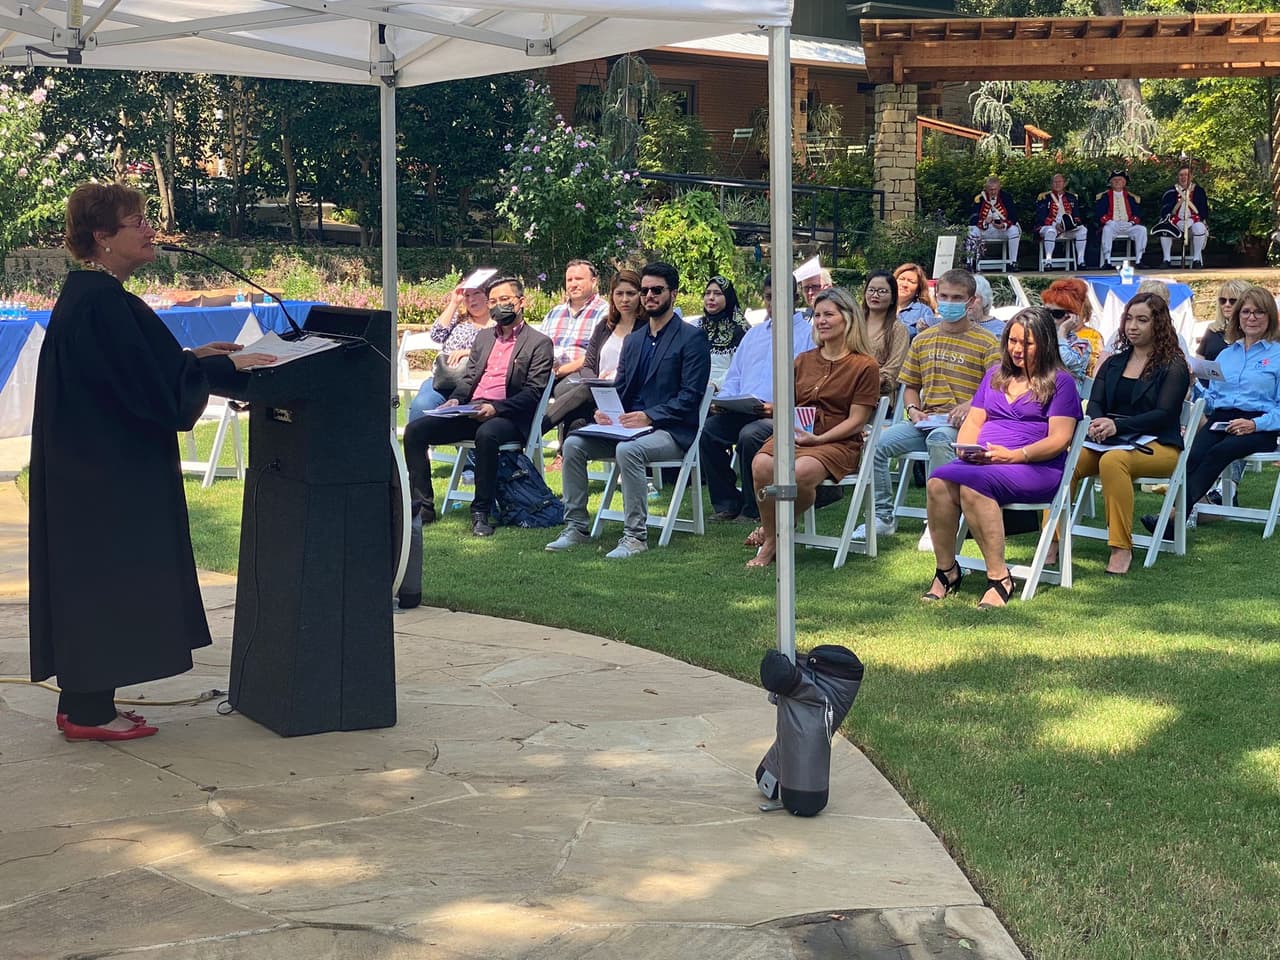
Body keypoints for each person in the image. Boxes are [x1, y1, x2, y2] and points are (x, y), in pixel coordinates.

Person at [28, 182, 276, 742]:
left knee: (96, 582)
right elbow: (149, 389)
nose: (149, 229)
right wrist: (223, 373)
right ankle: (89, 713)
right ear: (102, 237)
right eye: (135, 221)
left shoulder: (94, 296)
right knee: (107, 583)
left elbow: (133, 373)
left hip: (94, 469)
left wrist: (193, 359)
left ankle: (85, 703)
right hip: (107, 477)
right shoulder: (101, 302)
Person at [548, 262, 711, 559]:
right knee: (573, 444)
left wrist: (650, 416)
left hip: (672, 430)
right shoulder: (634, 340)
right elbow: (621, 389)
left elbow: (691, 398)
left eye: (656, 290)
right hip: (628, 425)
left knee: (629, 451)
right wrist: (605, 411)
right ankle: (575, 527)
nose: (649, 296)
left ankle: (635, 536)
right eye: (646, 290)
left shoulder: (691, 338)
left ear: (673, 294)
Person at [923, 307, 1082, 609]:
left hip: (1036, 466)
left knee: (974, 486)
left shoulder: (1061, 383)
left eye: (1027, 343)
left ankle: (999, 577)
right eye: (1012, 340)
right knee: (938, 482)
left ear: (1046, 343)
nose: (1017, 349)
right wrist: (968, 450)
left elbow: (1060, 439)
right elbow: (973, 422)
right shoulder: (994, 376)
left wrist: (1013, 456)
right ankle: (946, 571)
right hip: (985, 462)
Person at [858, 268, 1001, 543]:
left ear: (971, 301)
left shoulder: (986, 341)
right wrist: (912, 410)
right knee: (875, 444)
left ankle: (939, 519)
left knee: (939, 440)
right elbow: (910, 387)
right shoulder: (923, 339)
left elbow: (996, 388)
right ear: (936, 295)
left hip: (965, 426)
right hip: (927, 420)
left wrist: (970, 405)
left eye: (957, 297)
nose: (949, 302)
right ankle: (882, 516)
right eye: (944, 296)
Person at [402, 276, 554, 536]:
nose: (498, 306)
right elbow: (470, 378)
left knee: (487, 433)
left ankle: (480, 512)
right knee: (415, 430)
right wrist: (457, 400)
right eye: (493, 301)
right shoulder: (484, 338)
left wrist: (496, 409)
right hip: (472, 410)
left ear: (521, 302)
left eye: (504, 300)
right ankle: (423, 507)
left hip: (509, 417)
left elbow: (533, 393)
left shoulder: (539, 343)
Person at [746, 287, 881, 568]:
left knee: (800, 472)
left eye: (829, 314)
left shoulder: (864, 366)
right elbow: (786, 404)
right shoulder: (803, 360)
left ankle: (772, 540)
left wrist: (817, 438)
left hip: (838, 441)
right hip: (796, 434)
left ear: (848, 318)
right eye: (817, 315)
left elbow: (857, 420)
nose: (821, 320)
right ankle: (774, 532)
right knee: (760, 464)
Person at [1143, 285, 1280, 537]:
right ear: (1237, 316)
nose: (1251, 317)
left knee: (1221, 451)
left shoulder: (1278, 355)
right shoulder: (1227, 355)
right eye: (1246, 312)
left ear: (1270, 316)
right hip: (1222, 418)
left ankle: (1171, 518)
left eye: (1259, 312)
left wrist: (1255, 425)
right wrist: (1194, 384)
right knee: (1192, 455)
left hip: (1260, 424)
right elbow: (1213, 401)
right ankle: (1177, 519)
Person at [1071, 293, 1190, 575]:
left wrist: (1119, 426)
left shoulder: (1173, 365)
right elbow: (1096, 402)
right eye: (1129, 319)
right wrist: (1098, 423)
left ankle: (1121, 547)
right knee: (1068, 459)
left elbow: (1163, 415)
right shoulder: (1113, 362)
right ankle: (1052, 542)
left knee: (1113, 461)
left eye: (1142, 320)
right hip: (1111, 440)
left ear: (1158, 324)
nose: (1132, 326)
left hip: (1160, 446)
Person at [702, 274, 813, 524]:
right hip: (744, 407)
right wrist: (724, 401)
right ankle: (728, 502)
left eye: (780, 297)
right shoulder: (754, 335)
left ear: (795, 298)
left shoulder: (807, 335)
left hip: (782, 414)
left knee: (750, 435)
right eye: (769, 298)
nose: (774, 304)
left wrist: (780, 407)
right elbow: (735, 376)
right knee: (709, 431)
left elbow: (808, 386)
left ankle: (754, 509)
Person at [544, 270, 644, 443]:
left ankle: (534, 430)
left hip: (625, 390)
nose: (625, 299)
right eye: (619, 294)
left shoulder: (645, 329)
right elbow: (588, 365)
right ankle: (565, 452)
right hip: (598, 390)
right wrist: (596, 382)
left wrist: (611, 379)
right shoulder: (605, 326)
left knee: (581, 391)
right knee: (577, 413)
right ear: (612, 296)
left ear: (640, 296)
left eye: (631, 294)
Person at [408, 280, 492, 421]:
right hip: (444, 379)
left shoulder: (499, 325)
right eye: (466, 295)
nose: (471, 299)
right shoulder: (459, 320)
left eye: (476, 293)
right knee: (422, 403)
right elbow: (436, 334)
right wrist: (454, 302)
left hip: (475, 384)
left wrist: (468, 352)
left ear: (488, 296)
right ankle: (415, 440)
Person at [541, 259, 609, 379]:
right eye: (569, 280)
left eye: (578, 279)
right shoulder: (554, 312)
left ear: (593, 282)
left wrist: (561, 371)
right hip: (547, 373)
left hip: (580, 375)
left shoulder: (604, 312)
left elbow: (599, 354)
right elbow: (539, 346)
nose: (573, 284)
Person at [860, 270, 910, 397]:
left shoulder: (898, 330)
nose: (875, 295)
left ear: (893, 298)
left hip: (878, 395)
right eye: (871, 290)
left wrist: (865, 383)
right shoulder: (853, 324)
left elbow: (893, 370)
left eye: (882, 291)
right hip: (845, 388)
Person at [1039, 278, 1098, 379]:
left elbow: (1064, 362)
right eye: (1046, 311)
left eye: (1057, 314)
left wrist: (1062, 333)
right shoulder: (1039, 338)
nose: (1049, 317)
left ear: (1071, 317)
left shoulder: (1081, 345)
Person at [698, 274, 749, 387]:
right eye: (707, 293)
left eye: (717, 293)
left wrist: (715, 385)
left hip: (726, 392)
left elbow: (739, 367)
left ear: (728, 297)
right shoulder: (697, 327)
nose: (711, 297)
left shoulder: (740, 330)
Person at [1156, 164, 1209, 268]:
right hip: (1175, 224)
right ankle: (1166, 259)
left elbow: (1203, 211)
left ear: (1191, 177)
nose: (1184, 177)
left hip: (1192, 224)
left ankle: (1196, 259)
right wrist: (1176, 221)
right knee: (1164, 228)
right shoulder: (1170, 191)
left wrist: (1193, 220)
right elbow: (1165, 211)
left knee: (1199, 228)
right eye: (1181, 175)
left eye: (1186, 175)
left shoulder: (1199, 191)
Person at [1095, 170, 1148, 268]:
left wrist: (1131, 222)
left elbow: (1138, 214)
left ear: (1124, 182)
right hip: (1112, 226)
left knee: (1142, 230)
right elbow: (1099, 213)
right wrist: (1109, 222)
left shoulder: (1131, 197)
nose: (1117, 182)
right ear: (1110, 183)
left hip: (1128, 225)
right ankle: (1107, 260)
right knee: (1106, 229)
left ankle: (1139, 260)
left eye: (1120, 180)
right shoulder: (1104, 197)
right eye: (1114, 180)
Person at [1035, 173, 1087, 269]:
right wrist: (1055, 225)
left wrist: (1072, 224)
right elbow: (1041, 217)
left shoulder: (1072, 197)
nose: (1057, 184)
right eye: (1055, 182)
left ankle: (1081, 261)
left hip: (1067, 229)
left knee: (1083, 230)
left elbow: (1077, 216)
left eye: (1059, 182)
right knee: (1051, 231)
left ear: (1064, 183)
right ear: (1051, 184)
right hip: (1049, 227)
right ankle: (1048, 262)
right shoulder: (1044, 197)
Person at [968, 175, 1021, 266]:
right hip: (985, 229)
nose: (993, 192)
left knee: (1014, 230)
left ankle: (1013, 262)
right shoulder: (979, 198)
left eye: (995, 189)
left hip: (1001, 229)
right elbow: (972, 218)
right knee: (971, 231)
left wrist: (1003, 225)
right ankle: (969, 262)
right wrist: (984, 221)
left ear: (999, 188)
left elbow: (1014, 216)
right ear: (986, 188)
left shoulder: (1006, 197)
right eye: (990, 189)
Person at [894, 262, 937, 336]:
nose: (904, 285)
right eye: (901, 279)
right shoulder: (880, 305)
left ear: (918, 289)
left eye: (911, 281)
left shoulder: (924, 312)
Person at [972, 275, 1006, 339]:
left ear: (985, 299)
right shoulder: (956, 326)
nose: (968, 301)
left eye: (974, 297)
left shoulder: (999, 330)